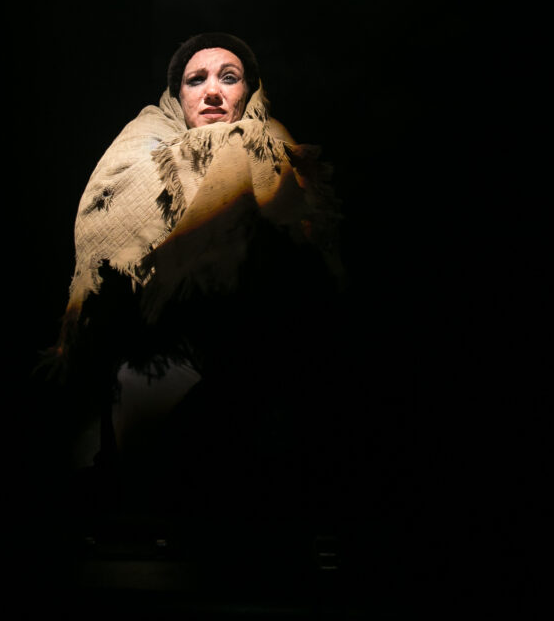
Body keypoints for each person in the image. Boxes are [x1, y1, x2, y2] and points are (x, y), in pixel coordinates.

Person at [45, 32, 345, 512]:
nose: (212, 92)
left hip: (256, 362)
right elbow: (107, 227)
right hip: (158, 354)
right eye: (196, 80)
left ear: (248, 92)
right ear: (176, 95)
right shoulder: (138, 147)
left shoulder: (274, 148)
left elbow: (310, 261)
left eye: (229, 78)